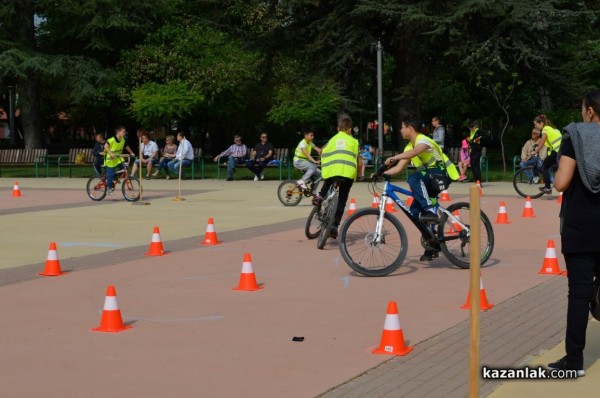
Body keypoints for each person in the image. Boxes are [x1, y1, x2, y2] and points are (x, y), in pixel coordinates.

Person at [548, 90, 600, 377]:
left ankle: (574, 361)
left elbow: (561, 182)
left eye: (583, 109)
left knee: (579, 294)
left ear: (590, 110)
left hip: (581, 227)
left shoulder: (575, 138)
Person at [383, 116, 459, 225]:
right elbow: (399, 168)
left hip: (440, 174)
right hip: (431, 177)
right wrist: (380, 173)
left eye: (402, 127)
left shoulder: (423, 140)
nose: (400, 130)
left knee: (414, 178)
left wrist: (394, 157)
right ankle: (432, 237)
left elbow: (415, 152)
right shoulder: (409, 146)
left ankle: (429, 210)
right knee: (414, 212)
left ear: (410, 128)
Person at [312, 114, 361, 239]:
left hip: (332, 170)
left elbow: (322, 150)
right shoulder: (354, 141)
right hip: (347, 174)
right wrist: (360, 175)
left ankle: (320, 197)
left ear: (338, 129)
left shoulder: (332, 140)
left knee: (328, 181)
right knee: (342, 199)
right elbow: (359, 161)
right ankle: (334, 226)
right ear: (350, 129)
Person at [532, 114, 562, 194]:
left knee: (544, 168)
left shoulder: (545, 129)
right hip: (559, 150)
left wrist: (536, 151)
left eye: (536, 124)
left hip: (557, 151)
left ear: (541, 123)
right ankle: (549, 185)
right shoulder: (551, 128)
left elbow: (542, 142)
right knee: (550, 166)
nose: (535, 126)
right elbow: (546, 143)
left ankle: (548, 188)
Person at [104, 126, 136, 195]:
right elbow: (105, 146)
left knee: (125, 168)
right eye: (123, 132)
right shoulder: (111, 139)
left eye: (125, 132)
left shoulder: (123, 139)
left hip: (118, 158)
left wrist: (131, 152)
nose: (124, 133)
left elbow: (126, 146)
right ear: (118, 132)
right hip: (110, 160)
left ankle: (115, 178)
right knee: (111, 174)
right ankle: (109, 189)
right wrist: (111, 153)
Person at [293, 130, 321, 194]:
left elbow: (319, 150)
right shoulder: (302, 143)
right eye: (311, 135)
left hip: (305, 162)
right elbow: (307, 155)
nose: (313, 137)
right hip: (298, 161)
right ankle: (302, 181)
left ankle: (313, 190)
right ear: (306, 136)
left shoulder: (310, 143)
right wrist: (315, 161)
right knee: (313, 166)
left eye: (313, 135)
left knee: (319, 173)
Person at [466, 120, 483, 186]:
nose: (471, 130)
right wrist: (468, 140)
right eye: (470, 128)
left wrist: (472, 140)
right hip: (472, 151)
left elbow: (477, 140)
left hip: (476, 151)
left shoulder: (479, 132)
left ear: (474, 127)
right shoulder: (471, 132)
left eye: (471, 128)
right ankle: (475, 180)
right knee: (473, 166)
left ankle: (478, 180)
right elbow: (468, 139)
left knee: (476, 166)